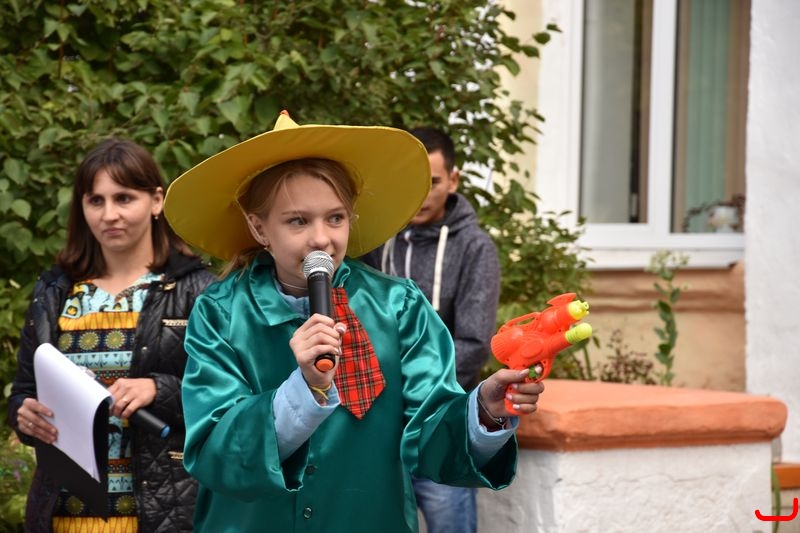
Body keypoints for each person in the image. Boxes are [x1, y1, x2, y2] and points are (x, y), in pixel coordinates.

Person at [163, 111, 545, 533]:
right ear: (259, 228)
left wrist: (483, 411)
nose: (321, 239)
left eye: (335, 217)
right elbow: (214, 449)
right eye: (297, 221)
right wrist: (301, 390)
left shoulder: (398, 306)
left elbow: (430, 433)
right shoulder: (221, 311)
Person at [7, 138, 216, 533]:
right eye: (95, 201)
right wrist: (24, 414)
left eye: (124, 198)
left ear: (156, 201)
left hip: (161, 515)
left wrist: (158, 389)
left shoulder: (198, 291)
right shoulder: (56, 291)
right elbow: (25, 390)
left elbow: (229, 397)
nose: (109, 214)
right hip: (64, 514)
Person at [361, 126, 500, 533]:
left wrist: (406, 387)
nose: (421, 195)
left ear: (453, 180)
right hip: (378, 428)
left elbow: (474, 344)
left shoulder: (475, 247)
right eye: (413, 183)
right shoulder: (376, 240)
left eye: (433, 183)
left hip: (443, 424)